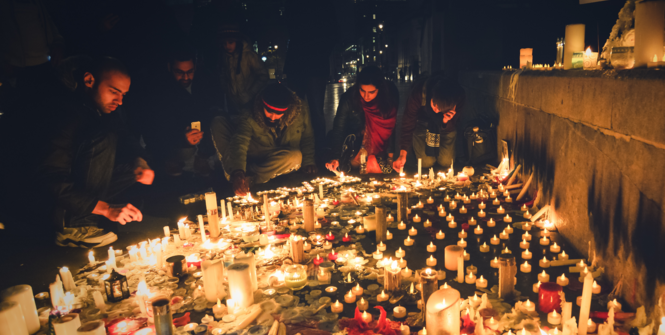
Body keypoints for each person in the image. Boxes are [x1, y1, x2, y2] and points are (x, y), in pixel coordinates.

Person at [40, 56, 154, 248]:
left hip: (75, 188)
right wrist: (107, 209)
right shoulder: (64, 112)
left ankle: (90, 216)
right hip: (48, 203)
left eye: (123, 94)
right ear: (89, 80)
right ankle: (74, 227)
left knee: (134, 168)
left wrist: (140, 161)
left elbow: (124, 135)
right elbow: (51, 180)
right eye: (114, 91)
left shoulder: (101, 108)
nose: (119, 100)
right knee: (105, 138)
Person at [212, 83, 316, 196]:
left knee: (295, 157)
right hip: (255, 150)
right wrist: (238, 171)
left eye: (278, 114)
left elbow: (307, 137)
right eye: (269, 111)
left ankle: (251, 178)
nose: (272, 117)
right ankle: (236, 175)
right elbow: (240, 141)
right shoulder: (249, 112)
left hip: (280, 156)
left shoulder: (301, 110)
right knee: (218, 123)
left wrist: (308, 161)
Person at [131, 47, 217, 177]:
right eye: (180, 72)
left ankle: (202, 157)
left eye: (190, 71)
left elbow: (210, 113)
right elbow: (153, 129)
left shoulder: (204, 83)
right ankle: (169, 160)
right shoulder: (159, 91)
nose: (186, 77)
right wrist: (181, 138)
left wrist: (204, 151)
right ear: (169, 67)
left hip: (201, 141)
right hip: (173, 143)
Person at [325, 66, 398, 174]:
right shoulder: (349, 99)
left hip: (380, 147)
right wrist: (336, 157)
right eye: (362, 90)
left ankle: (372, 159)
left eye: (371, 92)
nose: (366, 96)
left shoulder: (387, 99)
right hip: (356, 144)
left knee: (384, 169)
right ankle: (366, 160)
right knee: (348, 165)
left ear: (380, 89)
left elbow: (390, 128)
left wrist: (390, 157)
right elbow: (339, 128)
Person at [394, 75, 466, 171]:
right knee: (426, 162)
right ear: (432, 96)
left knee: (446, 162)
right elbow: (408, 121)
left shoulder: (459, 97)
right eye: (434, 105)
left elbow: (453, 125)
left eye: (440, 109)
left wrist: (445, 122)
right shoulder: (419, 92)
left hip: (445, 127)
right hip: (423, 123)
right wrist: (403, 153)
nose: (436, 111)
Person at [216, 24, 268, 117]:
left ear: (237, 41)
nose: (227, 46)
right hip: (233, 103)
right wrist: (227, 90)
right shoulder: (225, 57)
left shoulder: (249, 56)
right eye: (224, 43)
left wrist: (250, 94)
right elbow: (223, 74)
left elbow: (263, 75)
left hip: (250, 102)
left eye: (230, 42)